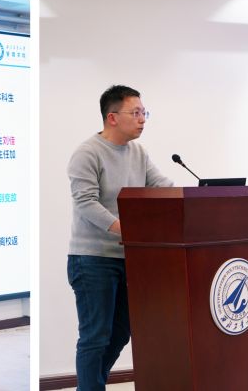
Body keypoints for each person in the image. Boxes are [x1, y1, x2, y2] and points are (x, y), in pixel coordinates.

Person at [65, 84, 173, 390]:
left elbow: (161, 187)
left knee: (120, 333)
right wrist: (126, 229)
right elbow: (86, 202)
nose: (142, 119)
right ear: (112, 117)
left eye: (144, 112)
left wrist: (194, 198)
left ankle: (92, 385)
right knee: (95, 336)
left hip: (129, 257)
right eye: (135, 113)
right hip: (92, 259)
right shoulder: (87, 153)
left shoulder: (139, 152)